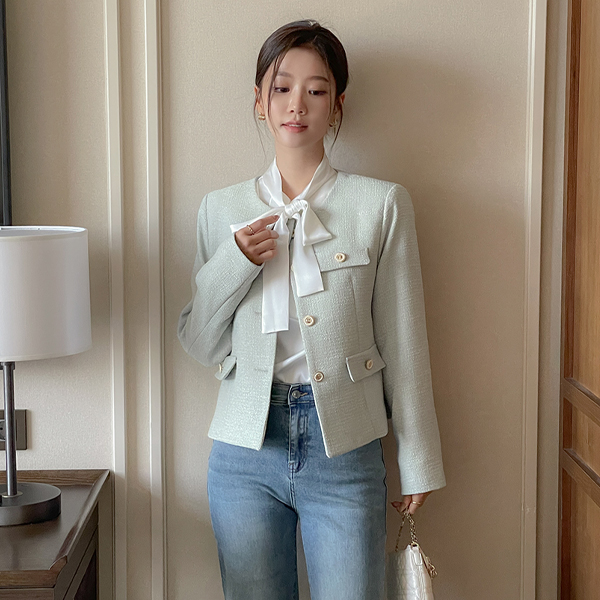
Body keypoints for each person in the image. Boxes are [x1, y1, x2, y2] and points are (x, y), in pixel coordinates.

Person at [178, 19, 446, 600]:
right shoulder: (218, 208)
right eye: (281, 88)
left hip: (345, 447)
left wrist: (419, 459)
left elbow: (404, 340)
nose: (296, 104)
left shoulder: (380, 204)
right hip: (244, 452)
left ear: (337, 104)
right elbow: (199, 342)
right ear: (259, 102)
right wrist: (235, 261)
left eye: (316, 90)